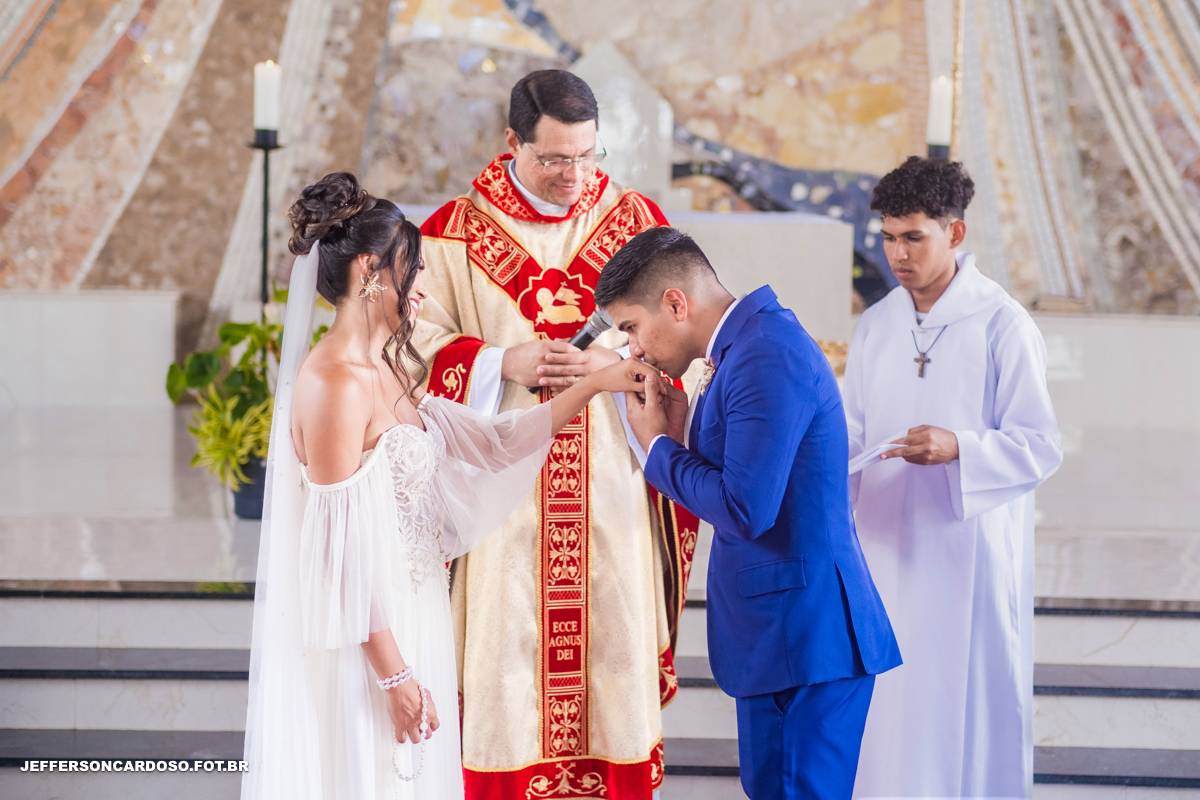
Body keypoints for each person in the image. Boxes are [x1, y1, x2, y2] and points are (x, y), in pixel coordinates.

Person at [240, 173, 650, 800]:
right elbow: (338, 556)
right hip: (368, 639)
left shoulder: (392, 369)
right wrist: (393, 676)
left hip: (416, 613)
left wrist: (594, 385)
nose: (425, 287)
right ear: (373, 270)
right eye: (417, 269)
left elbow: (495, 442)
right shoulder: (332, 384)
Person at [413, 69, 700, 796]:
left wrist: (617, 358)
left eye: (587, 157)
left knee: (612, 647)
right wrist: (496, 359)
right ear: (513, 143)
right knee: (504, 660)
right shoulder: (452, 234)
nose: (575, 177)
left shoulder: (637, 223)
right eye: (554, 160)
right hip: (501, 495)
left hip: (611, 485)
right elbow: (407, 348)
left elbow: (687, 333)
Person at [600, 227, 903, 800]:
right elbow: (755, 474)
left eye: (632, 327)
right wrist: (682, 433)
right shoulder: (745, 345)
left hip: (806, 638)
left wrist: (657, 452)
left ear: (675, 303)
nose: (635, 348)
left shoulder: (765, 352)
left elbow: (745, 509)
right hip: (787, 636)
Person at [844, 157, 1062, 799]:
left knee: (958, 698)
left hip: (965, 548)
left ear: (956, 234)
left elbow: (1039, 445)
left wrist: (959, 447)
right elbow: (854, 432)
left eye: (914, 237)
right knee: (888, 707)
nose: (897, 254)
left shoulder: (1002, 323)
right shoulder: (878, 322)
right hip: (884, 541)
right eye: (888, 236)